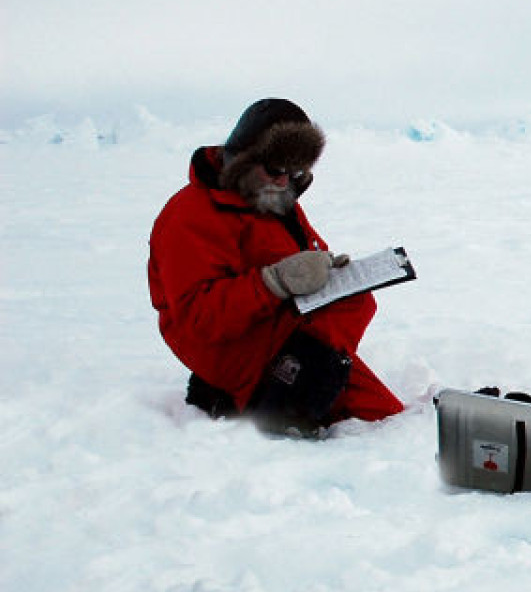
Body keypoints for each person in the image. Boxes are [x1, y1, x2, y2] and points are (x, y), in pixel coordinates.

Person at [148, 98, 405, 434]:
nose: (284, 181)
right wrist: (275, 282)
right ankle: (266, 403)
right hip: (228, 345)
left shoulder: (272, 199)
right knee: (368, 418)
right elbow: (199, 317)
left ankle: (280, 389)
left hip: (281, 331)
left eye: (294, 172)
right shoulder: (190, 215)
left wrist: (327, 267)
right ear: (243, 160)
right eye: (274, 169)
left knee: (384, 416)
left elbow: (308, 248)